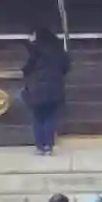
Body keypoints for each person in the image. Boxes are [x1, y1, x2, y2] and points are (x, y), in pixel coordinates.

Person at [23, 27, 69, 155]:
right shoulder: (58, 51)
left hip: (37, 89)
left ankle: (40, 145)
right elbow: (66, 67)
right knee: (50, 117)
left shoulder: (35, 51)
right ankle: (49, 145)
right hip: (54, 88)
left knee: (38, 117)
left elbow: (27, 69)